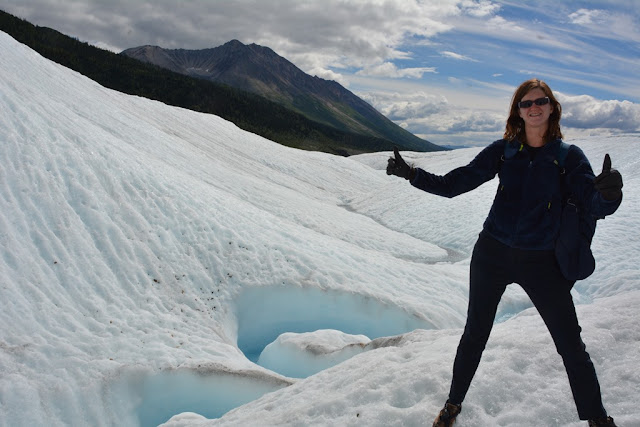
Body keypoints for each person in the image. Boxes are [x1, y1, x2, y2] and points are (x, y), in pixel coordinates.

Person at [386, 79, 623, 427]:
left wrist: (609, 194)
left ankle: (598, 420)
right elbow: (457, 183)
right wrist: (412, 174)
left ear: (552, 107)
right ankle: (452, 406)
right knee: (474, 335)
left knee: (571, 345)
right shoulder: (504, 150)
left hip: (542, 262)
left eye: (541, 101)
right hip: (492, 254)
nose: (534, 107)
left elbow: (593, 204)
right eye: (526, 103)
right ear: (518, 111)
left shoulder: (568, 157)